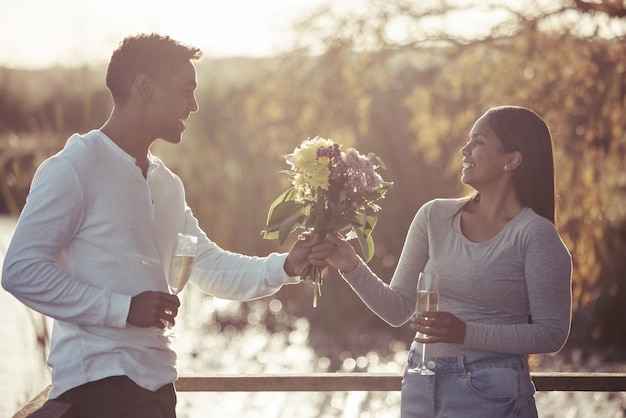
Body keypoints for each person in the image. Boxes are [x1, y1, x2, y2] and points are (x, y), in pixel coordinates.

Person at [1, 33, 320, 418]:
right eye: (187, 90)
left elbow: (209, 266)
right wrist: (123, 309)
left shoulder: (168, 185)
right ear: (145, 87)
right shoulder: (73, 168)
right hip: (96, 391)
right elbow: (21, 270)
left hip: (156, 390)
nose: (195, 105)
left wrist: (287, 265)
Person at [311, 106, 572, 417]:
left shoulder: (535, 234)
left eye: (478, 142)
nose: (464, 150)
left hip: (492, 392)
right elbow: (398, 309)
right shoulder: (434, 215)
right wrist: (351, 266)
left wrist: (465, 332)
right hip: (422, 382)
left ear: (511, 159)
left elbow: (551, 333)